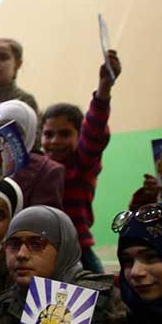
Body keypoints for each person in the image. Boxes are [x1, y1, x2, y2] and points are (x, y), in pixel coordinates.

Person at [42, 50, 120, 273]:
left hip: (79, 252)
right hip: (42, 250)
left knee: (95, 302)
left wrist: (104, 87)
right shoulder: (37, 167)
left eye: (65, 134)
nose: (55, 141)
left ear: (79, 136)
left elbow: (95, 129)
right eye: (48, 134)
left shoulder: (82, 163)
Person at [0, 100, 63, 209]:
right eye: (0, 129)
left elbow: (42, 220)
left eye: (17, 132)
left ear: (30, 134)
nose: (7, 138)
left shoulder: (47, 171)